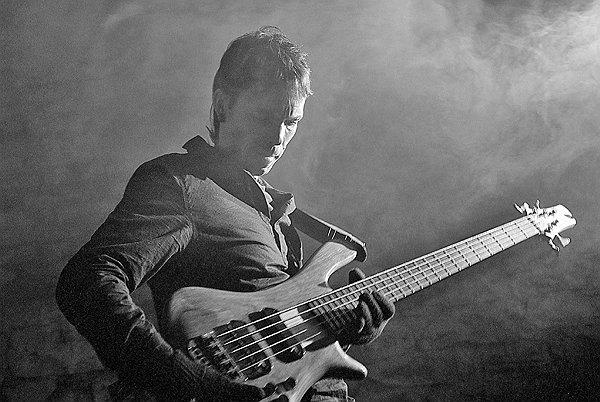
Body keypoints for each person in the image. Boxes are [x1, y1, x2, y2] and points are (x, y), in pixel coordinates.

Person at [56, 26, 394, 401]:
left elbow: (276, 336)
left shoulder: (277, 212)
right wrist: (189, 380)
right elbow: (86, 281)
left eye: (291, 122)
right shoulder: (181, 184)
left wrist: (348, 327)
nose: (278, 138)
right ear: (222, 106)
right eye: (264, 117)